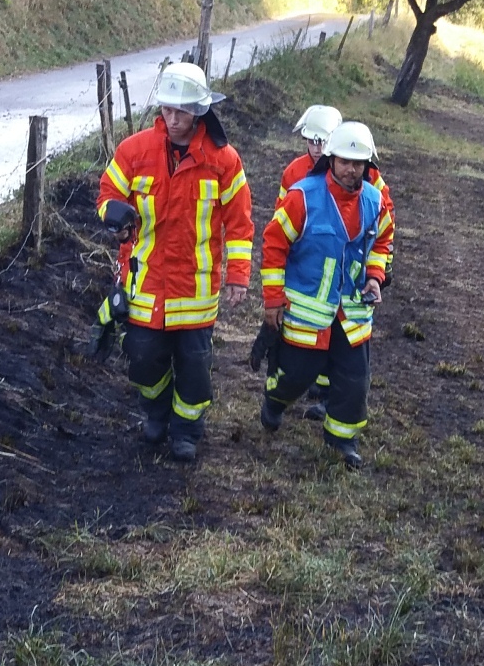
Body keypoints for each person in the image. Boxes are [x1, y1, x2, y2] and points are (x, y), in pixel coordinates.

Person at [95, 63, 255, 462]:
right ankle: (156, 411)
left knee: (195, 368)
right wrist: (113, 214)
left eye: (181, 111)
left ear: (199, 110)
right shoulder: (134, 151)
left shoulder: (224, 160)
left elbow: (239, 223)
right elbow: (107, 193)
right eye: (167, 109)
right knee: (142, 358)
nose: (173, 118)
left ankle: (187, 431)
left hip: (196, 290)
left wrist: (238, 275)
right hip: (146, 282)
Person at [259, 121, 395, 470]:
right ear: (331, 160)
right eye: (345, 161)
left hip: (353, 314)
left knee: (354, 382)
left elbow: (382, 241)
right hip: (307, 315)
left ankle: (342, 439)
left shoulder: (375, 201)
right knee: (294, 377)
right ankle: (275, 400)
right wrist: (273, 299)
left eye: (359, 163)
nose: (352, 170)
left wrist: (375, 276)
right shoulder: (302, 197)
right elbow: (274, 244)